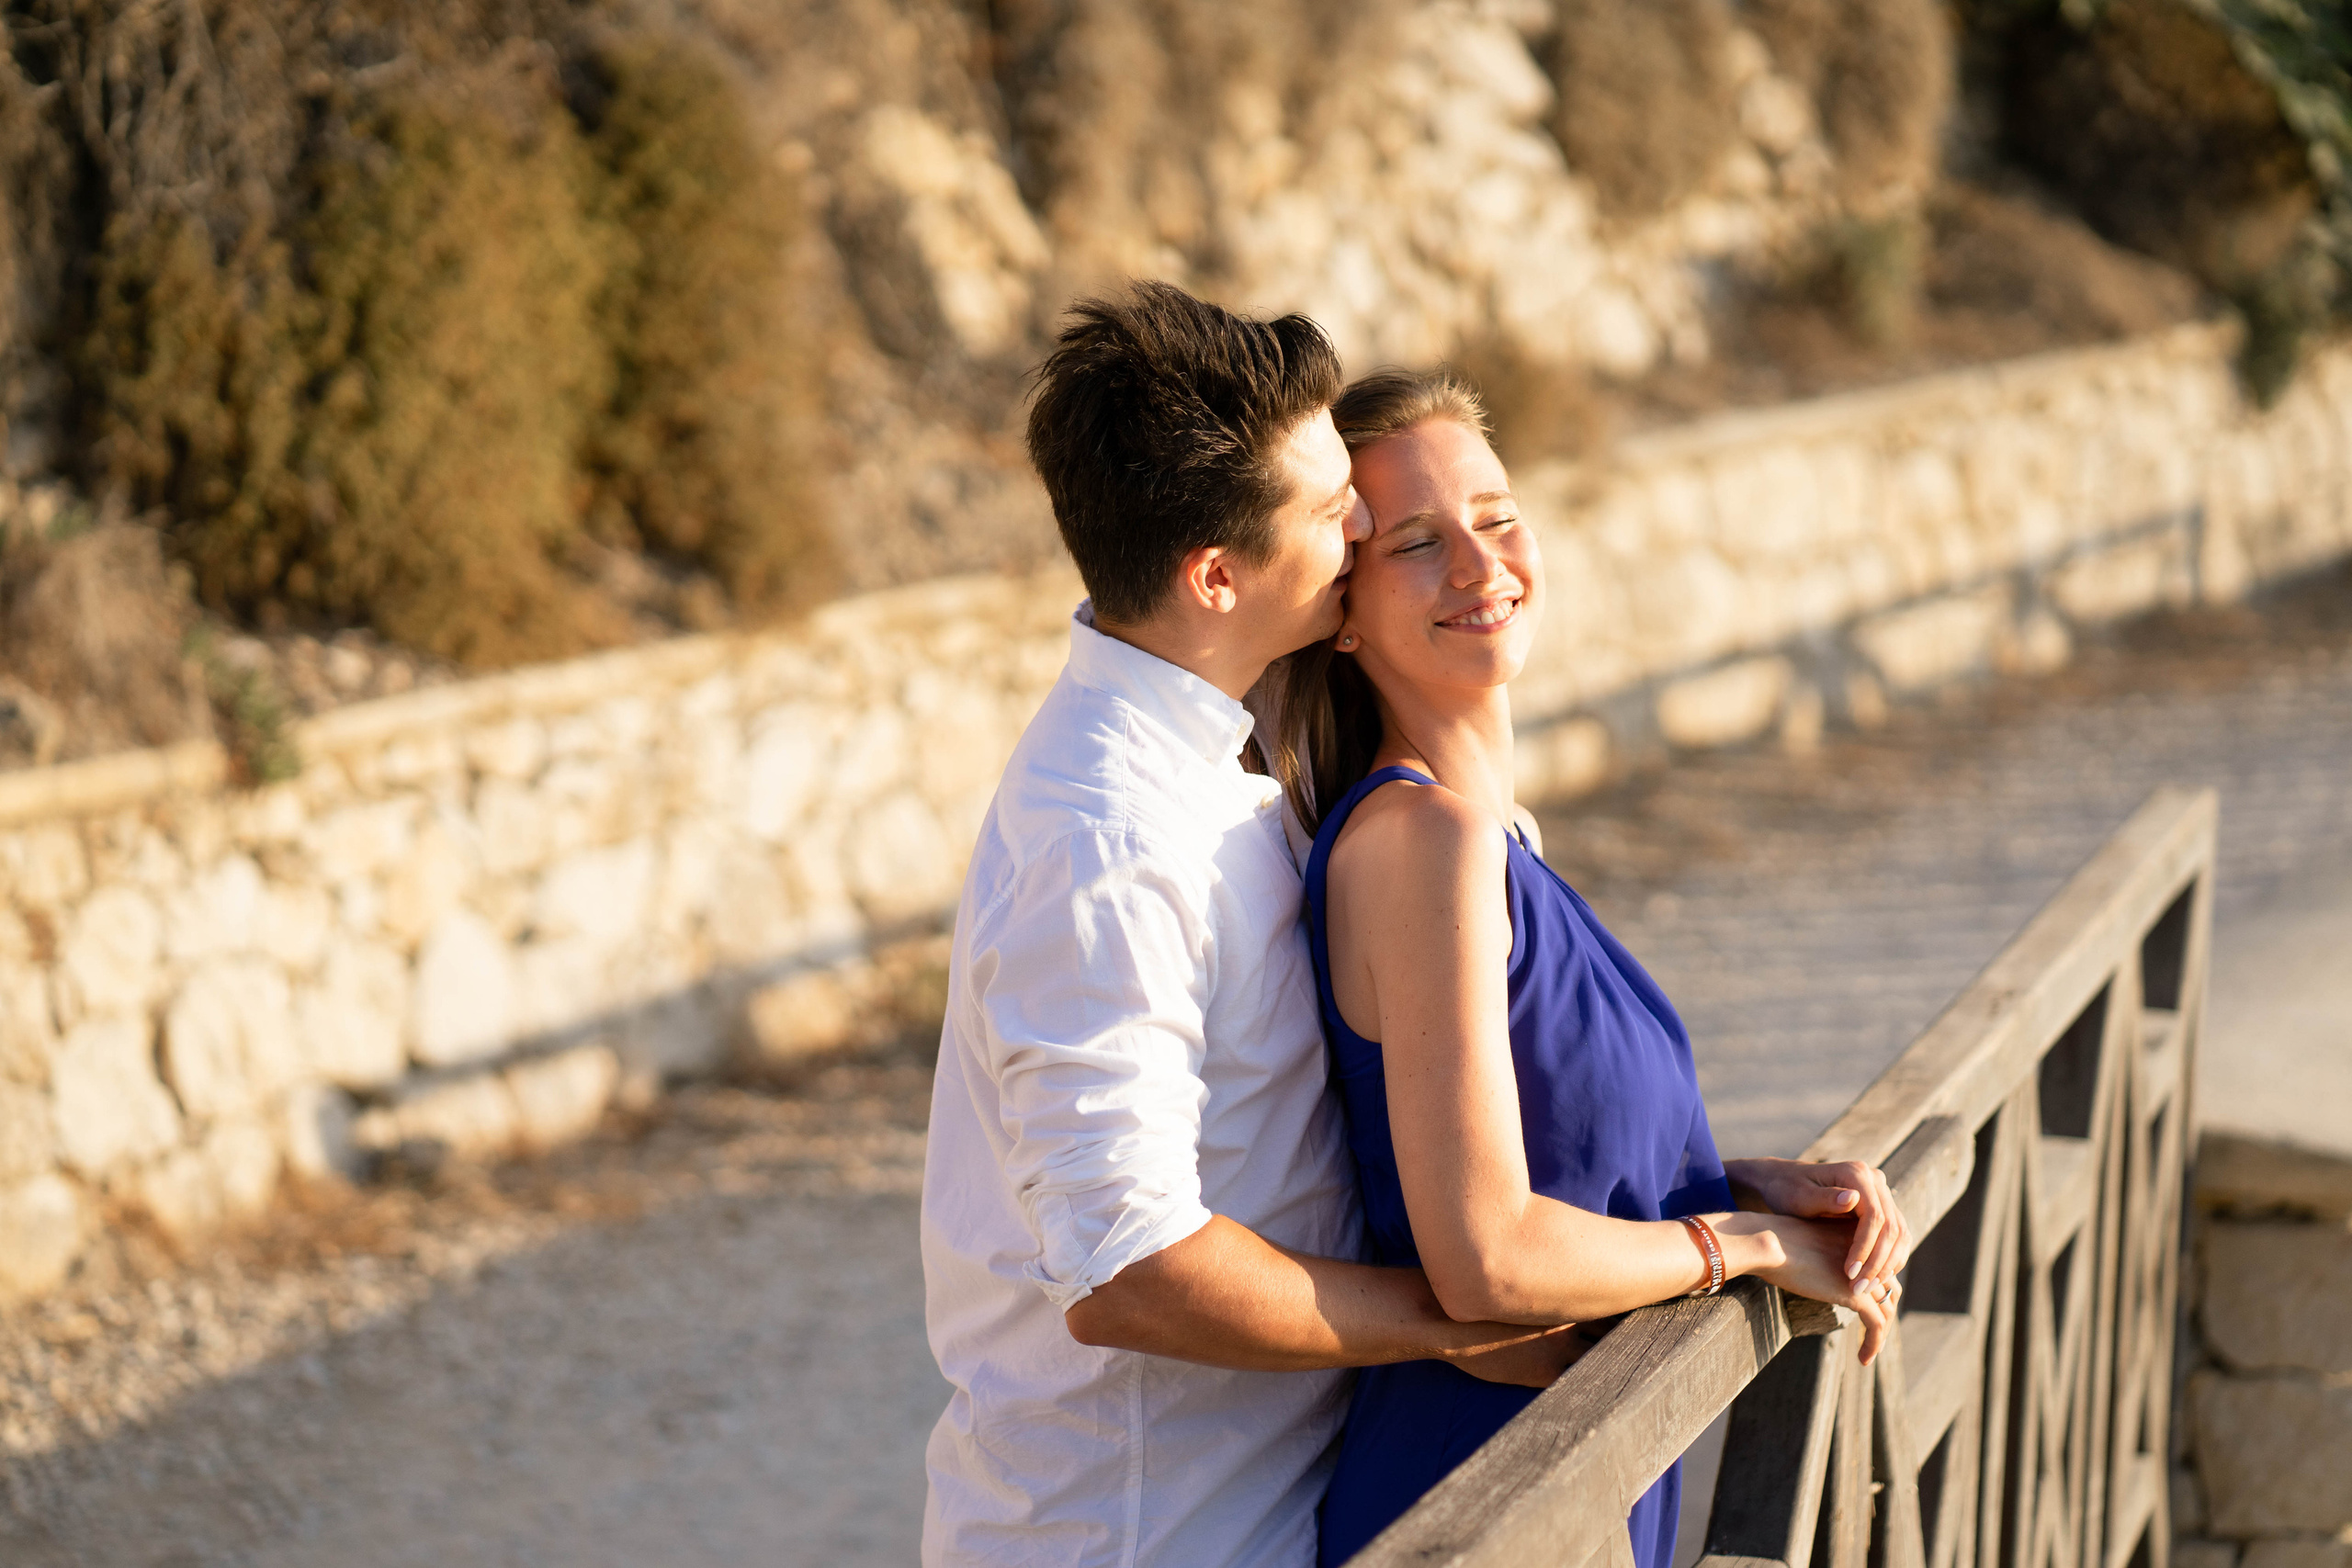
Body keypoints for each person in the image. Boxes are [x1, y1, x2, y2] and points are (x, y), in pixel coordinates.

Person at [920, 287, 1583, 1568]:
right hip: (1139, 1541)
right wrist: (1466, 1318)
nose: (1364, 526)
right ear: (1216, 576)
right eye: (1336, 514)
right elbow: (1130, 1269)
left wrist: (1697, 1200)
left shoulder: (1237, 765)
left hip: (1280, 1509)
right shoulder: (1105, 840)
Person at [1271, 368, 1914, 1568]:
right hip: (1478, 1494)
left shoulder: (1497, 842)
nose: (1478, 562)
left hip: (1566, 1471)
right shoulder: (1419, 845)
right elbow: (1487, 1255)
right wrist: (1746, 1247)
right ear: (1341, 610)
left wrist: (1741, 1184)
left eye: (1497, 514)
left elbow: (1548, 1156)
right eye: (1417, 541)